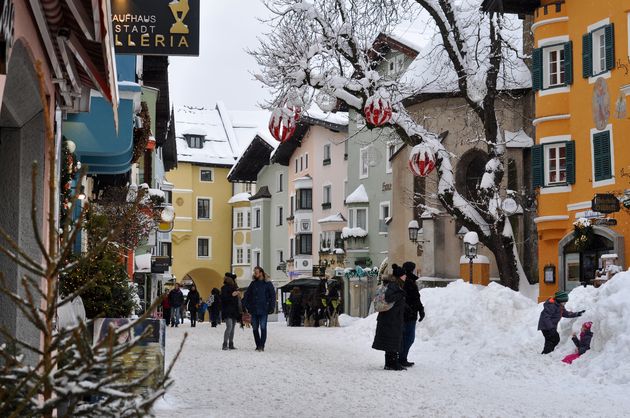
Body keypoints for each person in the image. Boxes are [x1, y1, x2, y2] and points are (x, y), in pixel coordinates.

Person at [372, 264, 407, 371]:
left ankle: (390, 363)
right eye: (404, 275)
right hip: (391, 319)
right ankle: (392, 363)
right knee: (392, 340)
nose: (405, 276)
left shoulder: (393, 285)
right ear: (400, 276)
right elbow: (389, 297)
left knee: (391, 341)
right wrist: (400, 294)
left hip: (390, 318)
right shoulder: (394, 285)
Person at [243, 266, 276, 351]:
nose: (255, 274)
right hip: (253, 309)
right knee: (254, 328)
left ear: (261, 273)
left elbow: (272, 296)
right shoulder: (253, 284)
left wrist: (271, 306)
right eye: (254, 272)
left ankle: (261, 345)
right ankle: (258, 344)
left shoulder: (268, 284)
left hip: (264, 309)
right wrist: (247, 305)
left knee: (263, 327)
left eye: (256, 272)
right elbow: (247, 295)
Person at [399, 261, 425, 368]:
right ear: (411, 269)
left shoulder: (410, 280)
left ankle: (402, 358)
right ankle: (401, 358)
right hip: (407, 314)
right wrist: (410, 309)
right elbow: (404, 298)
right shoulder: (405, 281)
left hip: (411, 313)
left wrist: (421, 310)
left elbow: (416, 298)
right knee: (408, 338)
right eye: (414, 268)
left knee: (408, 337)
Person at [220, 273, 240, 350]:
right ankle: (225, 344)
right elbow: (224, 299)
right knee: (229, 327)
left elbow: (237, 301)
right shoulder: (224, 288)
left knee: (232, 328)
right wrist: (232, 295)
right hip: (227, 310)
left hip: (234, 310)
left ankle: (231, 343)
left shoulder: (235, 288)